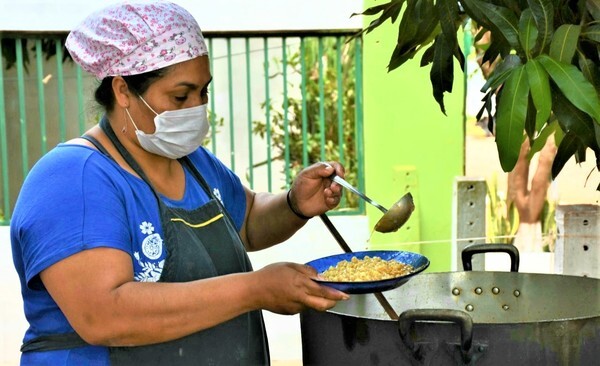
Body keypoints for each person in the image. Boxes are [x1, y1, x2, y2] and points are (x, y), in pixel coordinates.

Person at [9, 1, 349, 364]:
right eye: (180, 96)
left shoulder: (193, 163)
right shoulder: (73, 179)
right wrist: (256, 289)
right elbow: (104, 315)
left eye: (202, 92)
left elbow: (246, 222)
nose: (197, 108)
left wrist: (294, 205)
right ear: (123, 91)